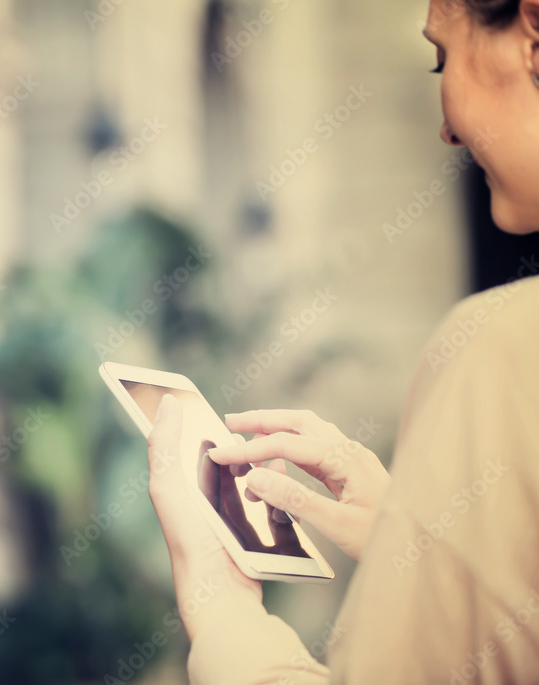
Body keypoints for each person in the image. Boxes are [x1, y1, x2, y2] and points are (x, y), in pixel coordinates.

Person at [147, 0, 539, 682]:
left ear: (532, 34)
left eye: (441, 57)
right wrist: (432, 552)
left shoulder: (501, 350)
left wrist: (223, 612)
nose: (445, 129)